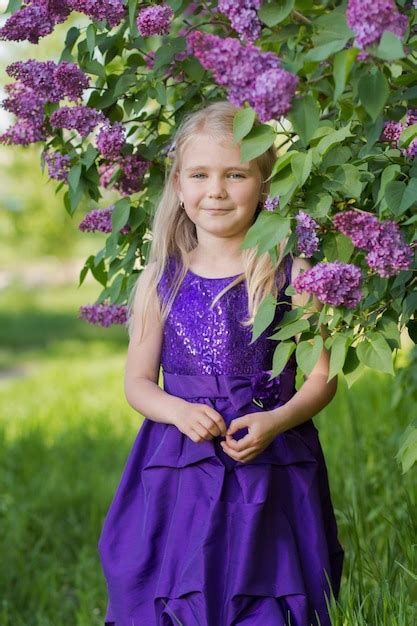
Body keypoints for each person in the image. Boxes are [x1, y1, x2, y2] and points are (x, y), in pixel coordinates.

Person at [98, 100, 345, 626]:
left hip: (269, 456)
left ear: (262, 183)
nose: (216, 190)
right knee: (181, 581)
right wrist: (175, 410)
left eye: (236, 174)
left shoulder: (291, 274)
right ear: (179, 185)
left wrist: (278, 420)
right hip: (181, 461)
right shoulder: (161, 279)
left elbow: (322, 377)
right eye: (200, 174)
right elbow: (138, 384)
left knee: (267, 586)